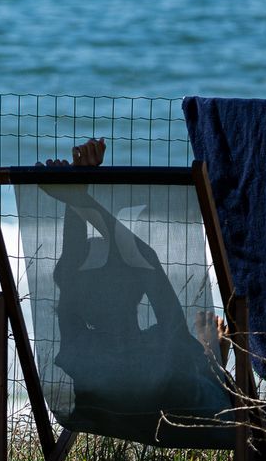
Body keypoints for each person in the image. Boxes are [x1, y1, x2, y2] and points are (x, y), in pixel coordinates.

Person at [39, 138, 234, 441]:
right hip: (188, 415)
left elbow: (74, 271)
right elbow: (144, 256)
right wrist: (79, 197)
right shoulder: (166, 345)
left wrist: (75, 195)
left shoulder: (79, 349)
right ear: (139, 287)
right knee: (195, 364)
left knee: (189, 360)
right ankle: (211, 362)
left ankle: (210, 360)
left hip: (105, 413)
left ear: (74, 300)